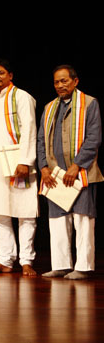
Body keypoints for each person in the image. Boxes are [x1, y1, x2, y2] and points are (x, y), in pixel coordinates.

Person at [37, 65, 103, 280]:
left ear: (75, 81)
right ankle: (61, 265)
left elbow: (94, 138)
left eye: (64, 81)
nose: (60, 85)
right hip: (55, 173)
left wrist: (77, 165)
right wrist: (44, 168)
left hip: (82, 172)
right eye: (56, 82)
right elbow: (40, 141)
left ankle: (83, 267)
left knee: (82, 219)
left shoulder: (89, 103)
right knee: (57, 220)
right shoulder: (49, 108)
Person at [0, 58, 39, 276]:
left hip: (18, 164)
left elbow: (30, 128)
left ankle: (26, 260)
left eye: (1, 73)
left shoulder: (22, 97)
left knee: (25, 212)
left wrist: (25, 161)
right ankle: (5, 259)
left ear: (10, 75)